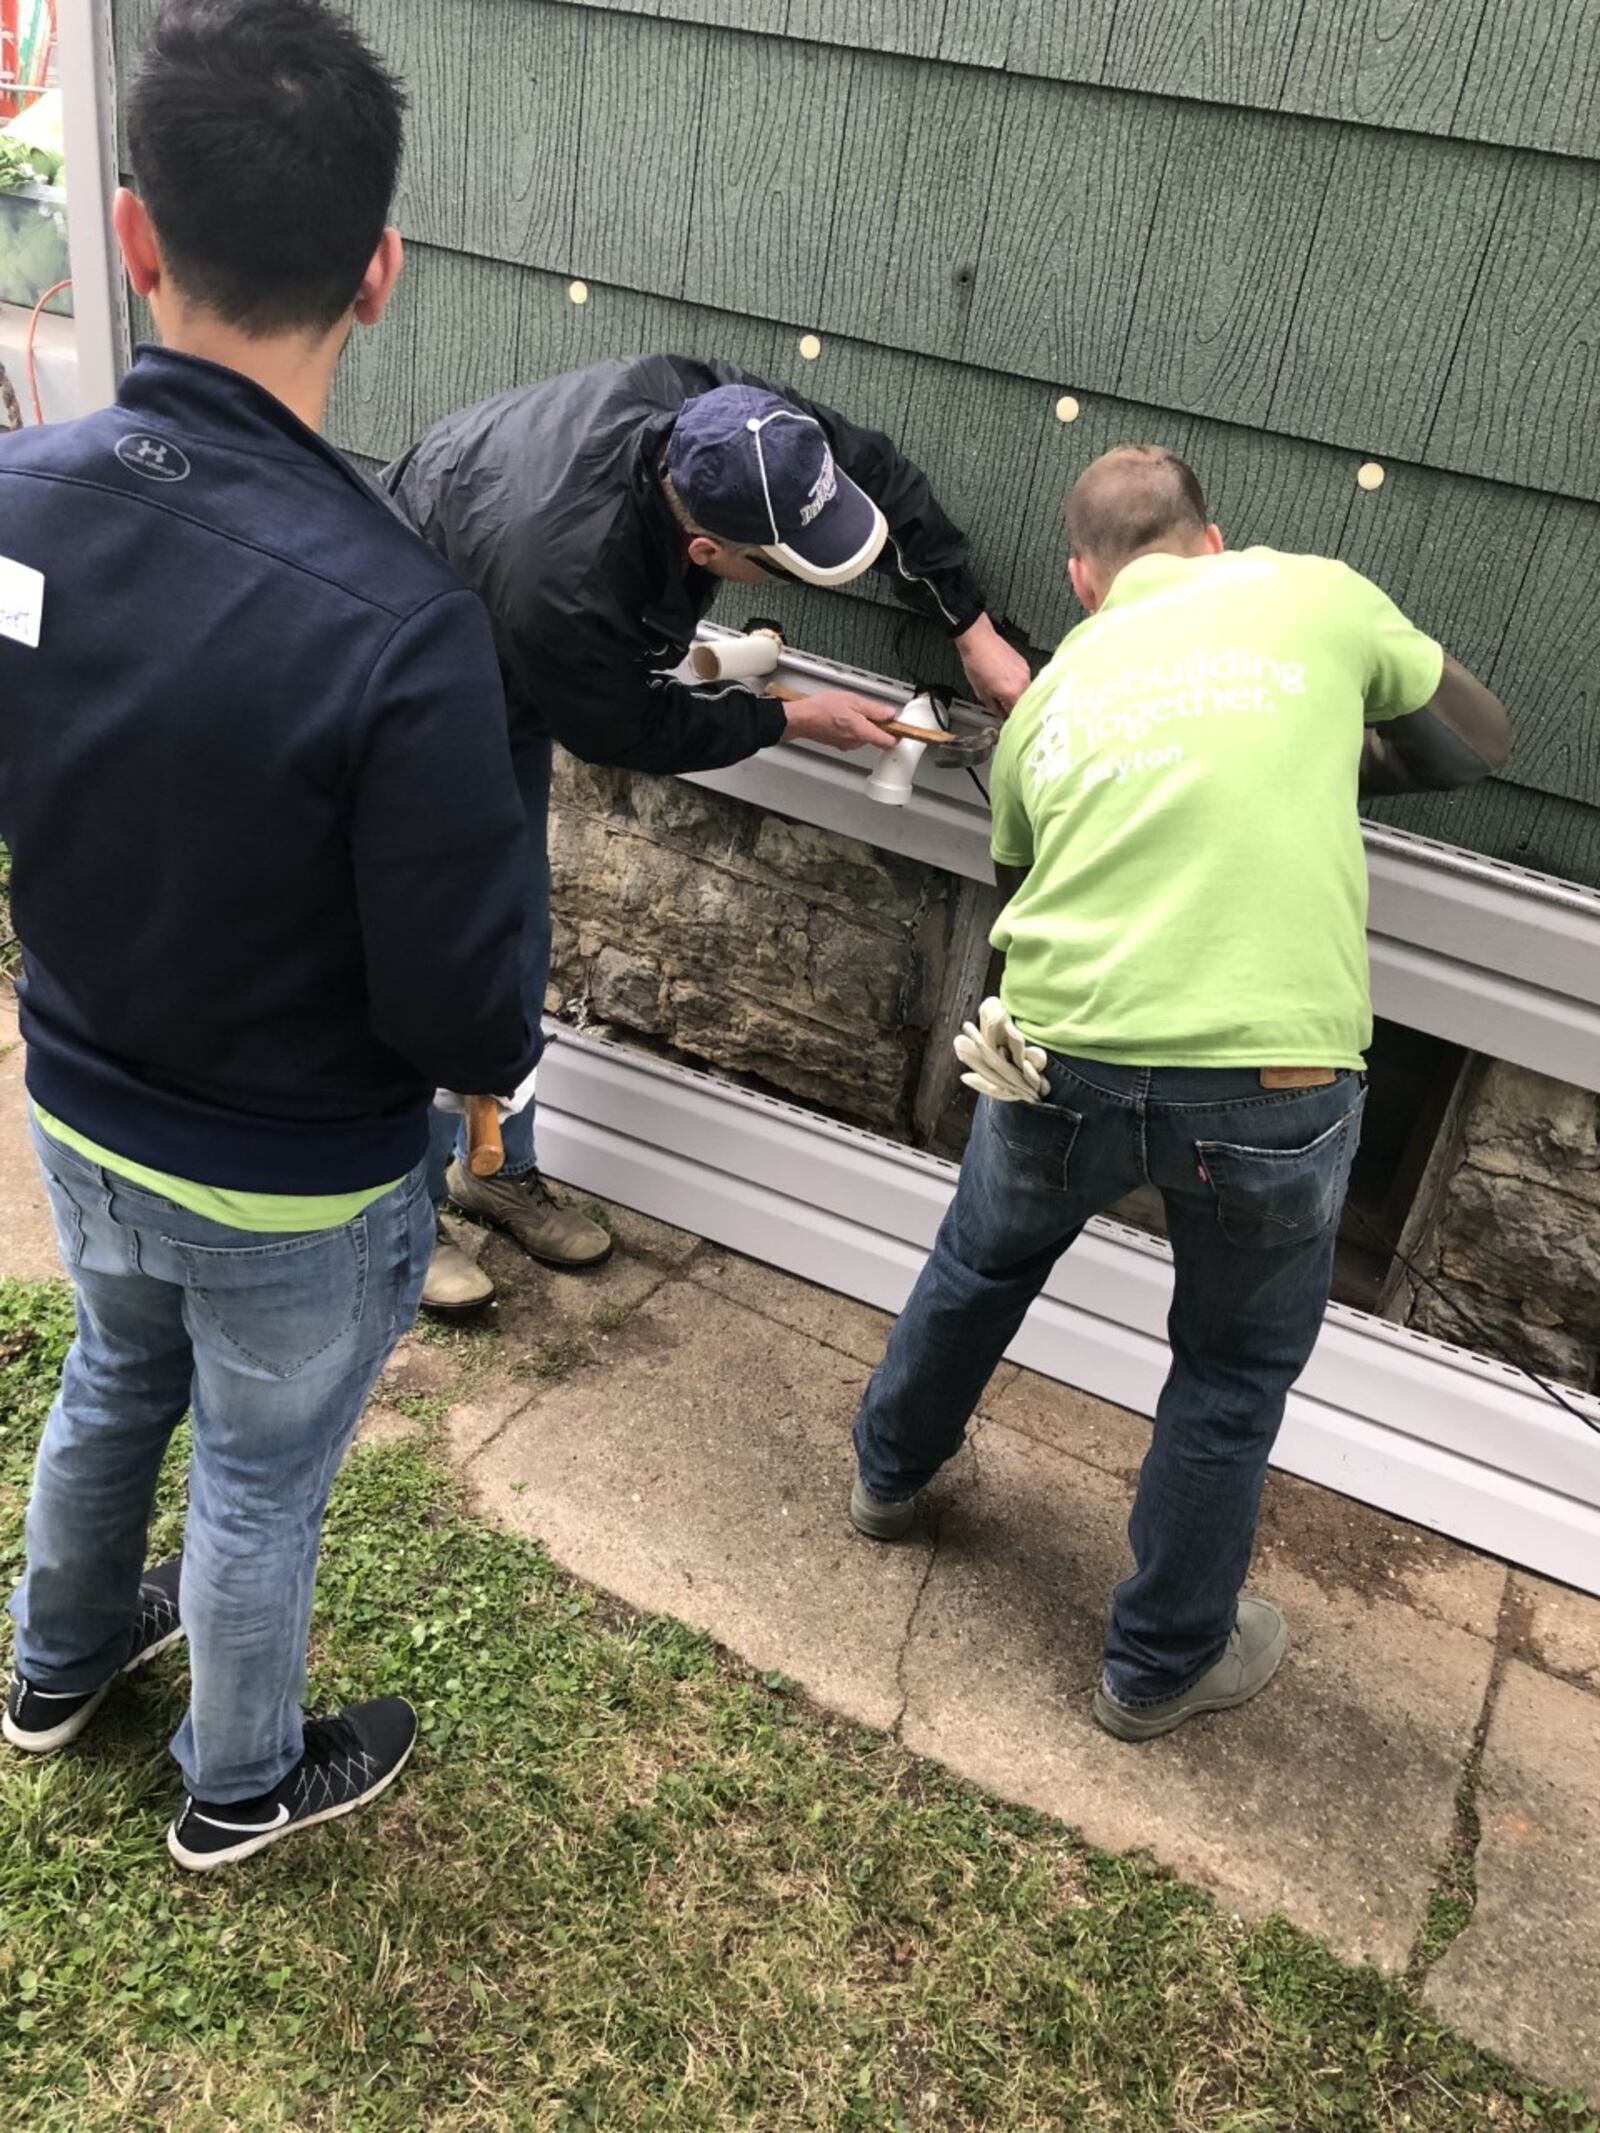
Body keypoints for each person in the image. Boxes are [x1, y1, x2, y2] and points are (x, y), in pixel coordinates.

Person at [0, 0, 538, 1868]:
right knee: (254, 1474)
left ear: (134, 240)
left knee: (110, 1370)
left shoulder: (13, 506)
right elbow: (472, 1008)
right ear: (378, 274)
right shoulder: (402, 627)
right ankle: (234, 1791)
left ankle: (51, 1667)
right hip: (295, 1181)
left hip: (74, 1097)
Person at [847, 446, 1510, 1742]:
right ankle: (1155, 1669)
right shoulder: (1315, 593)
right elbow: (1475, 744)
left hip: (1060, 1050)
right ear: (1211, 544)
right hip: (1272, 1077)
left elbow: (1026, 871)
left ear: (1087, 583)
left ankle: (886, 1480)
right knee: (1229, 1373)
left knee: (978, 1268)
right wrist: (1333, 748)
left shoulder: (1049, 696)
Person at [385, 361, 1034, 1311]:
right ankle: (401, 1224)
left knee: (517, 943)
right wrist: (787, 721)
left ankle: (492, 1168)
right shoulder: (569, 586)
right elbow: (628, 731)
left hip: (518, 599)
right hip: (427, 665)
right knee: (451, 954)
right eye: (774, 560)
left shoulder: (742, 430)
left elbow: (878, 479)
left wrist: (969, 623)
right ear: (705, 552)